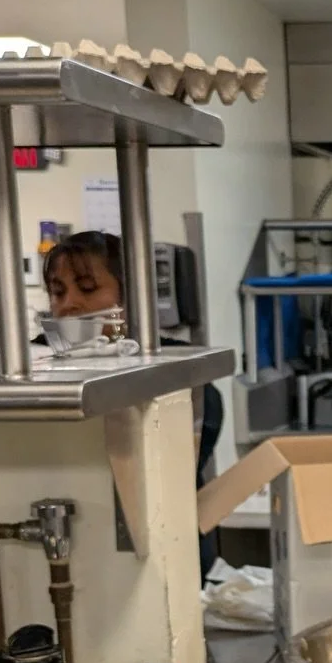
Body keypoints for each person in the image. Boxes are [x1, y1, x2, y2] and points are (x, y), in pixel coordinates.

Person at [41, 231, 224, 579]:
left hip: (165, 553)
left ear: (131, 296)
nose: (69, 305)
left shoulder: (181, 379)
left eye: (88, 288)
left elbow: (169, 479)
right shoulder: (41, 371)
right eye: (58, 291)